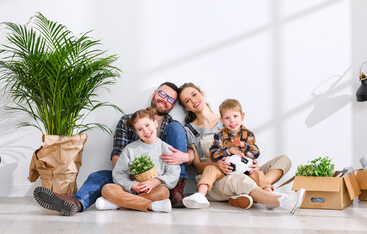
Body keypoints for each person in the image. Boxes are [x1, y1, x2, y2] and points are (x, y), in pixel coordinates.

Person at [33, 82, 192, 216]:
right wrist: (129, 180)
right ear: (155, 94)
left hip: (156, 185)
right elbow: (117, 155)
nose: (165, 100)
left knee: (162, 191)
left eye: (170, 99)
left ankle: (117, 204)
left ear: (172, 105)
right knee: (100, 177)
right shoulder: (127, 121)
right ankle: (76, 202)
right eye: (163, 95)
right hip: (128, 179)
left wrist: (185, 158)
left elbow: (187, 152)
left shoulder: (172, 128)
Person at [175, 82, 305, 214]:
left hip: (242, 170)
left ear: (201, 94)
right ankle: (280, 200)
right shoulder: (189, 129)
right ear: (187, 107)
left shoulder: (229, 118)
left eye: (194, 94)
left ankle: (257, 192)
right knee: (240, 180)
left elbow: (247, 149)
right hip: (215, 178)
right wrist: (218, 164)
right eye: (187, 100)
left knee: (283, 160)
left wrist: (252, 164)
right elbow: (196, 166)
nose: (193, 100)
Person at [183, 98, 273, 208]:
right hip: (224, 170)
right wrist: (229, 150)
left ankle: (269, 194)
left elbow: (255, 153)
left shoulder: (248, 134)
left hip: (245, 170)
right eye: (227, 118)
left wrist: (243, 146)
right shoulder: (219, 135)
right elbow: (213, 154)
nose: (232, 120)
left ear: (242, 116)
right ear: (222, 121)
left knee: (257, 172)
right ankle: (200, 195)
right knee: (210, 169)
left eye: (235, 116)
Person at [95, 108, 180, 212]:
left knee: (164, 192)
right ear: (136, 132)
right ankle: (151, 206)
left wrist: (156, 181)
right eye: (140, 129)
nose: (145, 131)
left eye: (147, 125)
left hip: (153, 191)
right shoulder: (130, 149)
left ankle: (117, 204)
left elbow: (173, 173)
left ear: (155, 123)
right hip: (129, 191)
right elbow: (118, 173)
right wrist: (132, 185)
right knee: (107, 188)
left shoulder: (166, 149)